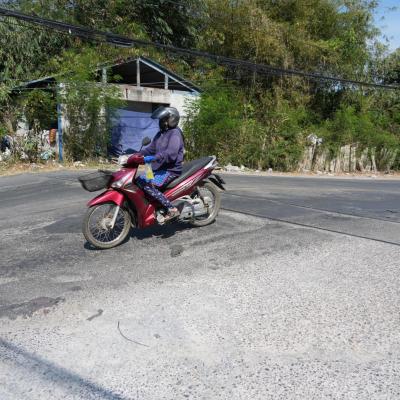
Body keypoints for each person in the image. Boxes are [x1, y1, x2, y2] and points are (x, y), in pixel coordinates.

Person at [137, 106, 184, 222]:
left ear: (172, 120)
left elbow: (171, 154)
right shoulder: (161, 134)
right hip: (158, 166)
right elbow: (150, 149)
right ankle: (150, 204)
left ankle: (171, 209)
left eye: (163, 120)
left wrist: (154, 158)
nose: (161, 122)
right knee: (137, 177)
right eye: (160, 120)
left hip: (170, 169)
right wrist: (136, 155)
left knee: (147, 184)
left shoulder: (175, 134)